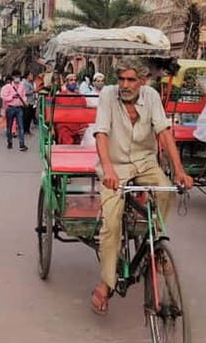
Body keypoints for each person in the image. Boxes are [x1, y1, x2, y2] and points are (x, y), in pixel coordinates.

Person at [89, 58, 193, 315]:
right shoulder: (107, 96)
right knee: (111, 225)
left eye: (131, 80)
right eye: (121, 79)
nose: (125, 84)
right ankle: (107, 281)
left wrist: (180, 170)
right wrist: (109, 170)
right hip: (114, 165)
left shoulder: (152, 97)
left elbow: (164, 133)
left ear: (143, 81)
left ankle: (155, 243)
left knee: (166, 190)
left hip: (145, 163)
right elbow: (101, 133)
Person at [54, 74, 88, 145]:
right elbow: (55, 114)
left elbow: (84, 113)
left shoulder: (81, 97)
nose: (73, 82)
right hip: (64, 127)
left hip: (77, 128)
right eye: (71, 80)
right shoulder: (60, 96)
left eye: (75, 80)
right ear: (66, 82)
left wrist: (84, 127)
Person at [1, 71, 28, 151]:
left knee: (21, 127)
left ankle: (22, 144)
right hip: (10, 108)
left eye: (18, 76)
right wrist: (12, 97)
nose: (17, 78)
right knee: (9, 126)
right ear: (12, 77)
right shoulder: (8, 87)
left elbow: (24, 96)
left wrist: (23, 101)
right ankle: (9, 142)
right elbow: (4, 97)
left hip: (19, 108)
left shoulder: (21, 86)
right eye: (16, 76)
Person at [22, 71, 37, 135]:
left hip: (31, 101)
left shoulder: (29, 83)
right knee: (26, 116)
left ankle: (27, 129)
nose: (32, 76)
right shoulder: (25, 83)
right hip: (27, 102)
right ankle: (25, 129)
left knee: (30, 116)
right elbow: (26, 92)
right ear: (27, 76)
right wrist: (34, 91)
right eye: (31, 75)